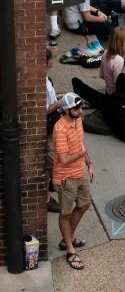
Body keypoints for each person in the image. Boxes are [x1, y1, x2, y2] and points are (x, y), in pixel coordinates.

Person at [53, 92, 94, 270]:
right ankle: (70, 250)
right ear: (67, 110)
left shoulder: (77, 121)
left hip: (81, 172)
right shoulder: (60, 129)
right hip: (66, 177)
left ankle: (67, 239)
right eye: (76, 109)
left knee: (84, 205)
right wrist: (82, 154)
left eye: (80, 107)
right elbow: (63, 159)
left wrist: (89, 164)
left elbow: (81, 145)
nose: (80, 111)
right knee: (66, 214)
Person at [44, 46, 64, 214]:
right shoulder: (41, 83)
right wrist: (58, 104)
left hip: (52, 127)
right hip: (46, 129)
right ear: (47, 62)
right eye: (51, 59)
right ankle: (46, 199)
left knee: (52, 161)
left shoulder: (46, 79)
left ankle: (51, 183)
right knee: (49, 163)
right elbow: (43, 111)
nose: (53, 61)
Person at [100, 25, 125, 94]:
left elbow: (101, 75)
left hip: (108, 90)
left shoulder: (105, 52)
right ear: (122, 43)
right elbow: (118, 85)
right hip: (116, 96)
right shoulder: (119, 61)